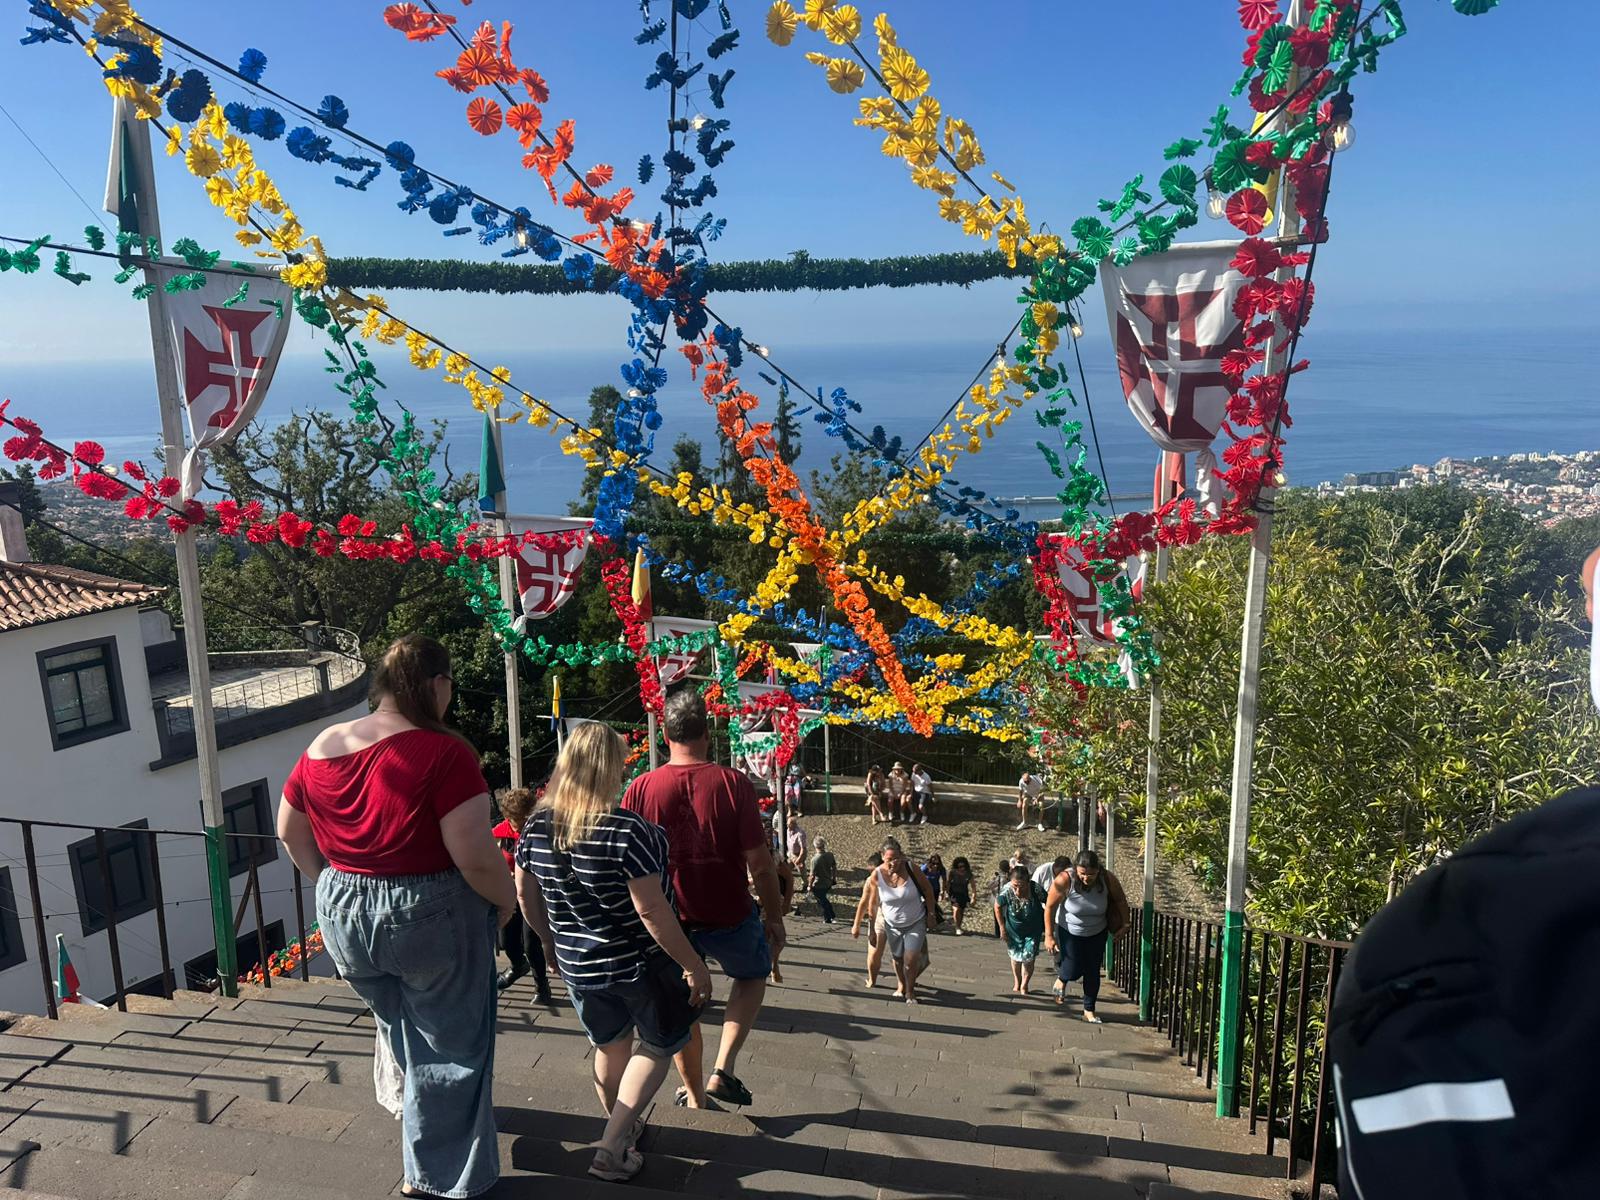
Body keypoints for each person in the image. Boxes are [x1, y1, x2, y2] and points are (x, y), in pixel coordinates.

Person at [276, 634, 511, 1200]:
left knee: (399, 1024)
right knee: (451, 1048)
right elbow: (474, 856)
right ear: (435, 685)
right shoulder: (445, 752)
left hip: (342, 911)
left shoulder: (324, 743)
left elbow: (288, 829)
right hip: (425, 912)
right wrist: (506, 902)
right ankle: (442, 1179)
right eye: (449, 687)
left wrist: (333, 882)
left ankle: (415, 1121)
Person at [515, 723, 713, 1183]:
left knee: (608, 1045)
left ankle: (622, 1132)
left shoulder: (537, 827)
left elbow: (526, 894)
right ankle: (610, 1143)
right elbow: (653, 912)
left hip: (578, 966)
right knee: (659, 1045)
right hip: (638, 965)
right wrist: (694, 966)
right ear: (612, 769)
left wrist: (548, 941)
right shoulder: (629, 831)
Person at [621, 688, 786, 1110]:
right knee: (752, 974)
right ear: (707, 733)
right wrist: (775, 917)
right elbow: (761, 864)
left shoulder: (640, 788)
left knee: (683, 1001)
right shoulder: (733, 783)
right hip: (728, 909)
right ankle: (722, 1069)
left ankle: (695, 1097)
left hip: (669, 917)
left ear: (665, 736)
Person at [1044, 849, 1130, 1023]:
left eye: (1091, 874)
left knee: (1092, 970)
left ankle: (1089, 1009)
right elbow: (1050, 907)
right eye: (1082, 874)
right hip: (1069, 930)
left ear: (1098, 870)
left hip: (1097, 931)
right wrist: (1049, 935)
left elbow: (1121, 900)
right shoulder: (1064, 880)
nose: (1086, 878)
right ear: (1076, 869)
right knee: (1073, 968)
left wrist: (1126, 924)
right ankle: (1062, 978)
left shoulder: (1107, 879)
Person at [854, 836, 937, 1004]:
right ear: (882, 856)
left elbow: (928, 890)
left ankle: (910, 992)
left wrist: (931, 914)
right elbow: (871, 904)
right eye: (889, 859)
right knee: (898, 959)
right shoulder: (876, 875)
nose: (893, 862)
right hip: (891, 924)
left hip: (915, 921)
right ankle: (901, 985)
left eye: (897, 858)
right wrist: (869, 930)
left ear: (902, 855)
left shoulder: (911, 868)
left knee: (910, 958)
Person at [492, 787, 552, 1004]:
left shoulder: (544, 831)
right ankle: (518, 966)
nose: (519, 824)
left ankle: (542, 986)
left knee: (531, 942)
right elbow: (492, 860)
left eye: (523, 818)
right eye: (515, 819)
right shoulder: (500, 834)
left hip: (536, 894)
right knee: (507, 940)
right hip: (510, 894)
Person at [995, 866, 1047, 995]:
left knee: (1029, 957)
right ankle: (1017, 981)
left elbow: (1049, 901)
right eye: (1015, 886)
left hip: (1033, 929)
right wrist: (1002, 927)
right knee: (1015, 956)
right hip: (1013, 929)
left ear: (1028, 882)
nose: (1017, 890)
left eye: (1022, 886)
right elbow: (997, 906)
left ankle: (1024, 984)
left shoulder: (1035, 888)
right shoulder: (1007, 890)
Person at [1032, 856, 1073, 998]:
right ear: (1054, 868)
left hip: (1062, 916)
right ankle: (1060, 971)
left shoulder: (1071, 875)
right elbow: (1033, 889)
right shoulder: (1042, 870)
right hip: (1045, 910)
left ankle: (1060, 969)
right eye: (1059, 873)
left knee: (1061, 947)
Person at [853, 850, 886, 986]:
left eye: (873, 871)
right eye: (869, 871)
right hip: (878, 918)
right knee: (874, 953)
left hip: (896, 918)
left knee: (902, 956)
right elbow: (864, 902)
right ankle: (872, 979)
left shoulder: (895, 877)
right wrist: (856, 924)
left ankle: (905, 983)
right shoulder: (869, 881)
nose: (871, 875)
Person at [807, 835, 837, 924]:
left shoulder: (815, 860)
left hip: (819, 884)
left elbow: (812, 875)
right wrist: (834, 878)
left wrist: (809, 886)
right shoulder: (830, 855)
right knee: (823, 898)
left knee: (822, 901)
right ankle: (830, 914)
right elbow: (834, 867)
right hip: (828, 882)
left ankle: (829, 916)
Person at [946, 856, 973, 935]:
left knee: (961, 911)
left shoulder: (968, 874)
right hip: (954, 894)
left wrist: (974, 896)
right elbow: (947, 883)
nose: (962, 868)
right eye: (960, 866)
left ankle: (959, 926)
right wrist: (946, 893)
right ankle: (957, 927)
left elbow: (973, 886)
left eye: (963, 866)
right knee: (956, 909)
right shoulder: (952, 873)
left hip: (964, 894)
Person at [922, 853, 947, 928]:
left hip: (935, 890)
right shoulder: (925, 868)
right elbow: (918, 877)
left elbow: (944, 880)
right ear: (930, 862)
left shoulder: (941, 869)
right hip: (925, 890)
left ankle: (933, 922)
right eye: (933, 863)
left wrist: (943, 892)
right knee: (925, 906)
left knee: (932, 906)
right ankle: (926, 922)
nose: (935, 865)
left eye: (937, 863)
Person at [987, 858, 1011, 938]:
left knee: (997, 917)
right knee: (1005, 917)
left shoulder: (997, 877)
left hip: (995, 900)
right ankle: (1005, 933)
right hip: (1005, 901)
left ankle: (998, 934)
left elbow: (989, 885)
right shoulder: (1009, 877)